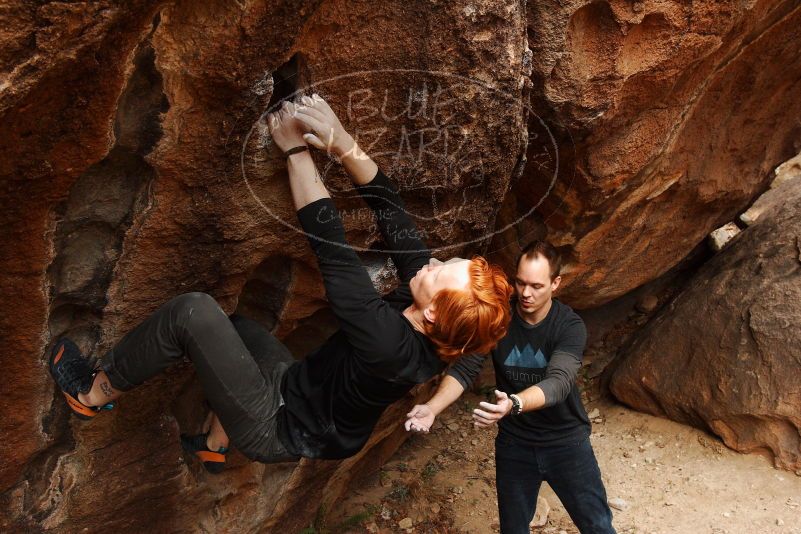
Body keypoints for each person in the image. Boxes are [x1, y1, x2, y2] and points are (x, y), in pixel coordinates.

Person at [48, 94, 513, 473]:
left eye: (438, 270)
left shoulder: (390, 345)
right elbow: (393, 213)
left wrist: (294, 149)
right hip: (297, 388)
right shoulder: (441, 320)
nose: (430, 263)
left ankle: (93, 392)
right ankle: (214, 442)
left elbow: (330, 245)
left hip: (278, 425)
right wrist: (342, 141)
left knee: (192, 313)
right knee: (238, 331)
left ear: (433, 314)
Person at [405, 240, 616, 534]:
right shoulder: (500, 317)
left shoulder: (569, 326)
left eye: (537, 286)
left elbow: (559, 382)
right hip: (515, 444)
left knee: (598, 526)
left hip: (566, 442)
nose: (526, 293)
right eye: (520, 283)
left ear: (556, 283)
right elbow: (466, 368)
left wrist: (514, 403)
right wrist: (431, 408)